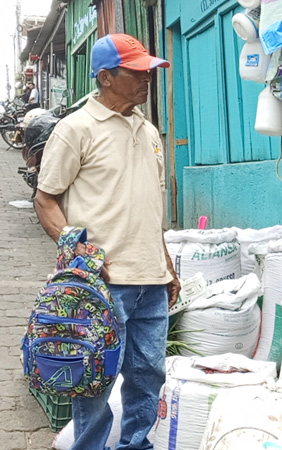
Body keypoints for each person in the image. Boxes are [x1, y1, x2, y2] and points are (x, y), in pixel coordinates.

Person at [33, 33, 178, 450]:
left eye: (147, 70)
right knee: (94, 379)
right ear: (106, 77)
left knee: (148, 373)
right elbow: (45, 200)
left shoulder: (148, 131)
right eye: (136, 71)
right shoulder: (75, 129)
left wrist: (166, 264)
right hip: (101, 283)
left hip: (150, 280)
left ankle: (136, 444)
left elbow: (150, 205)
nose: (146, 78)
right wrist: (78, 254)